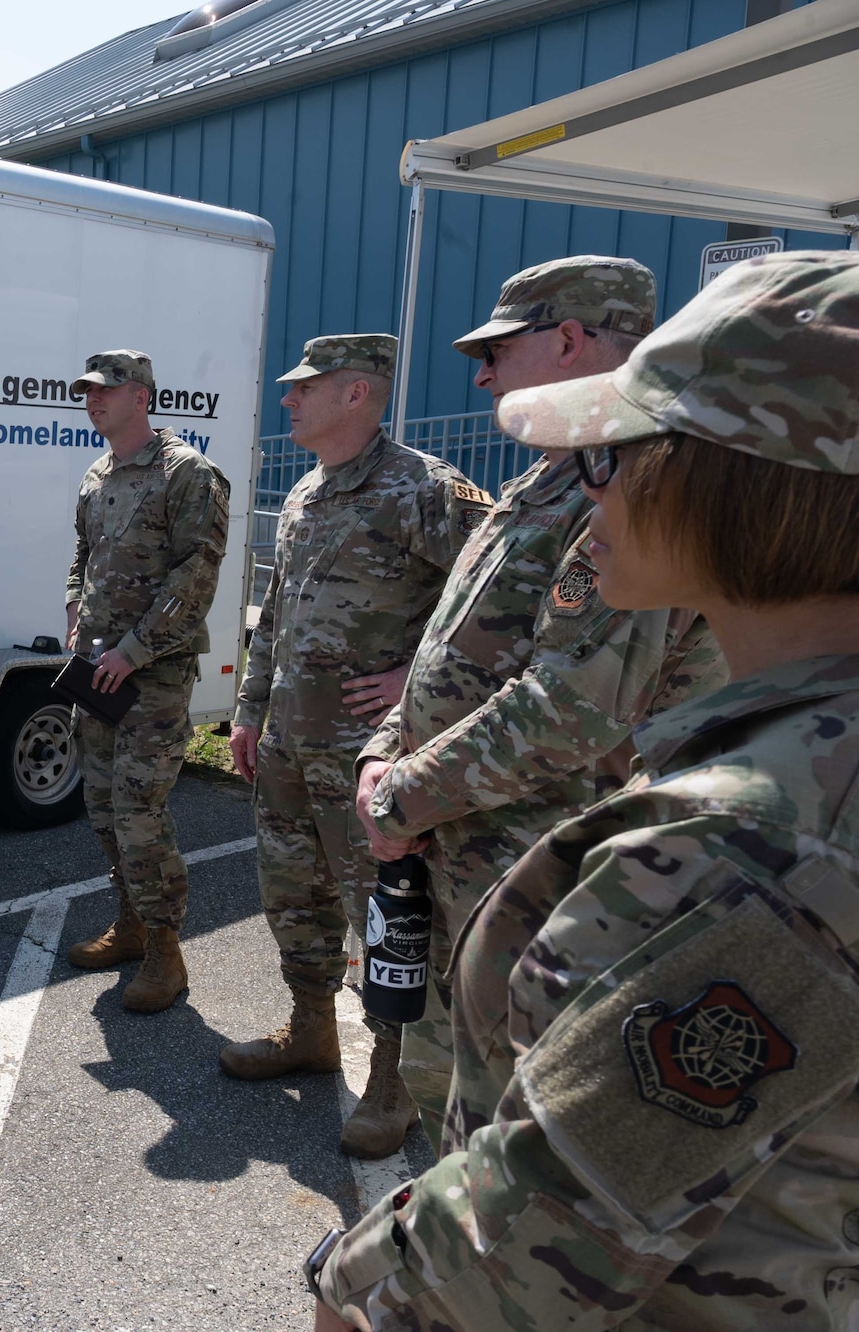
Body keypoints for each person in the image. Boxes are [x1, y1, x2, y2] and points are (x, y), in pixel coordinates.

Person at [309, 250, 859, 1332]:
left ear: (736, 480)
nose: (585, 483)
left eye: (614, 454)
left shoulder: (759, 844)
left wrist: (346, 1285)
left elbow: (513, 1255)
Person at [349, 257, 727, 1148]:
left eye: (497, 350)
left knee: (520, 1123)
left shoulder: (640, 485)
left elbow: (572, 707)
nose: (481, 374)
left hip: (545, 877)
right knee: (451, 1096)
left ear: (567, 338)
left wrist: (400, 793)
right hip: (460, 857)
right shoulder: (544, 482)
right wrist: (381, 747)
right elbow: (444, 652)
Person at [220, 335, 489, 1158]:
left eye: (307, 387)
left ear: (358, 394)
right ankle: (310, 1027)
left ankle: (394, 1078)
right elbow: (276, 614)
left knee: (385, 914)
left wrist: (415, 678)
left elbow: (497, 604)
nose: (288, 398)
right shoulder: (305, 491)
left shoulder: (426, 490)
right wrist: (248, 711)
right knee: (293, 895)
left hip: (369, 752)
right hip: (291, 744)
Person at [61, 351, 231, 1013]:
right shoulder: (98, 473)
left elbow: (195, 577)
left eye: (104, 391)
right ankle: (131, 926)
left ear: (141, 395)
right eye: (87, 392)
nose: (92, 401)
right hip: (95, 669)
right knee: (102, 807)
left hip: (151, 678)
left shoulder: (186, 473)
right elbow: (82, 554)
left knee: (140, 816)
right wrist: (74, 610)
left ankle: (166, 950)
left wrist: (133, 650)